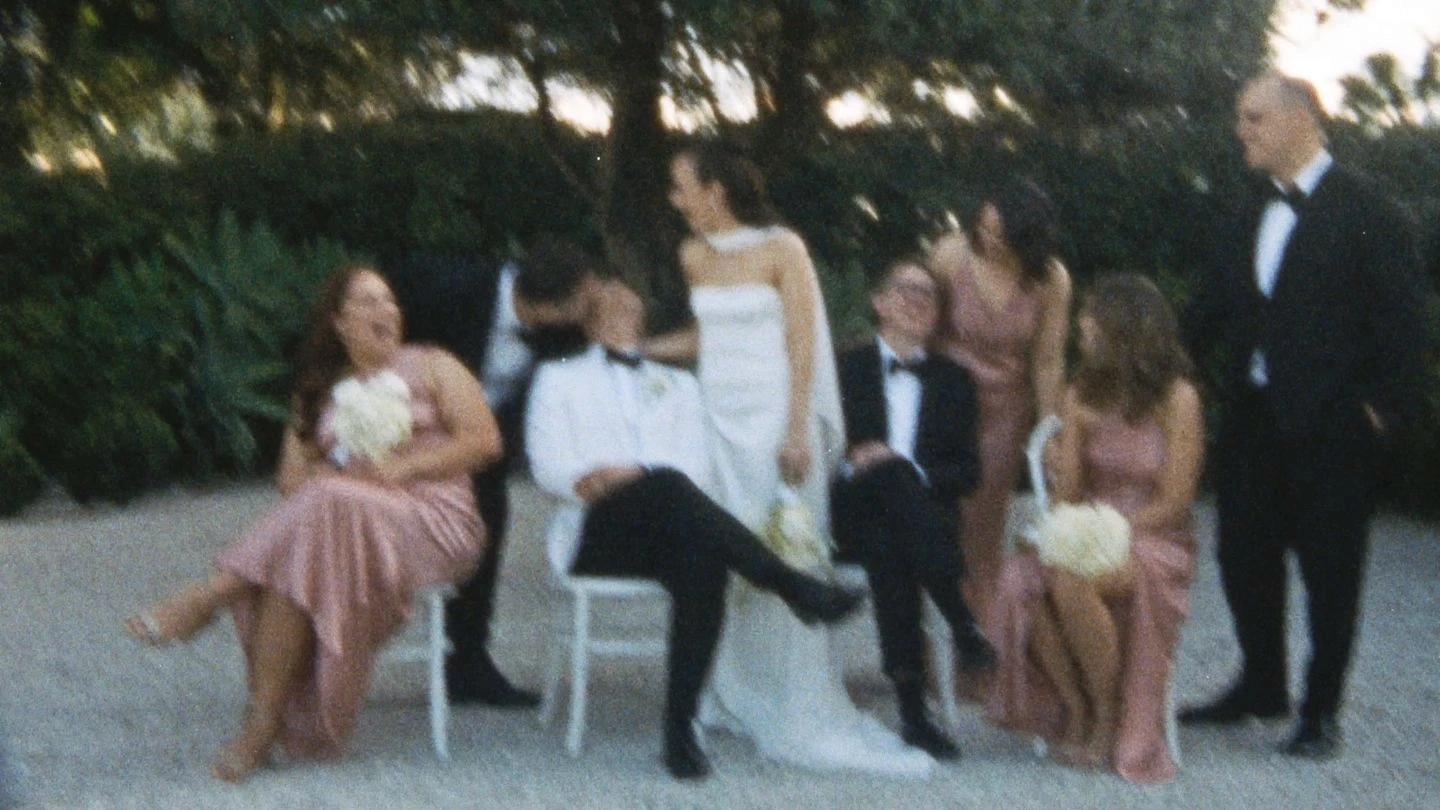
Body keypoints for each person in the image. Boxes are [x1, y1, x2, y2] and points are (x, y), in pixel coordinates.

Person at [124, 266, 501, 781]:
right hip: (341, 526)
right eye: (367, 303)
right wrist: (345, 472)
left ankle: (208, 597)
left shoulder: (434, 365)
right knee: (302, 552)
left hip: (433, 520)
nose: (384, 312)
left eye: (389, 301)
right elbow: (291, 483)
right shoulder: (316, 390)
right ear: (339, 322)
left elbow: (483, 442)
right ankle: (261, 725)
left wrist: (401, 468)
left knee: (322, 510)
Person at [655, 140, 933, 775]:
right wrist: (638, 349)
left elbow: (803, 341)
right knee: (721, 548)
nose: (675, 200)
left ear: (714, 189)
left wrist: (797, 429)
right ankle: (722, 688)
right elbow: (704, 336)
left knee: (783, 544)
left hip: (777, 414)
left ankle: (788, 694)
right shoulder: (692, 253)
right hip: (716, 420)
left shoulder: (784, 247)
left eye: (681, 186)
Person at [1179, 71, 1433, 759]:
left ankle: (1322, 713)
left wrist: (1379, 415)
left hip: (1335, 430)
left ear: (1301, 119)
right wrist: (1148, 376)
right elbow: (1204, 315)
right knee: (1242, 557)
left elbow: (1405, 327)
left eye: (1254, 117)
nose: (1242, 131)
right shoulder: (1245, 213)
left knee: (1331, 571)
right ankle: (1262, 685)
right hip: (1255, 420)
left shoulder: (1372, 212)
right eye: (1241, 117)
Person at [526, 279, 864, 779]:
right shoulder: (557, 379)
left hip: (664, 524)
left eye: (629, 301)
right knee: (663, 481)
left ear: (642, 316)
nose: (620, 308)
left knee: (702, 561)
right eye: (607, 303)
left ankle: (678, 731)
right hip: (596, 530)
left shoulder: (681, 385)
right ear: (589, 319)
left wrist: (636, 470)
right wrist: (626, 474)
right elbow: (548, 464)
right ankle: (788, 582)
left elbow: (699, 471)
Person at [987, 273, 1203, 783]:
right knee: (1021, 576)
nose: (1081, 324)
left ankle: (1107, 719)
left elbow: (1175, 500)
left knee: (1073, 579)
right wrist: (1058, 517)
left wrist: (1105, 530)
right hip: (1091, 525)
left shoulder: (1178, 397)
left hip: (1154, 537)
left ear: (1124, 328)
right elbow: (1068, 497)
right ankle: (1075, 705)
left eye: (1091, 316)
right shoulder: (1081, 389)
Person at [389, 238, 592, 707]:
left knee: (488, 524)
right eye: (581, 304)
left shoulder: (563, 328)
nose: (589, 312)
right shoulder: (445, 290)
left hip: (481, 450)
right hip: (408, 435)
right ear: (546, 306)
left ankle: (468, 662)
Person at [830, 256, 998, 759]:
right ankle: (961, 621)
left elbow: (969, 473)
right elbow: (817, 451)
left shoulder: (954, 381)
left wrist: (908, 469)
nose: (917, 300)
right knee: (886, 487)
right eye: (904, 289)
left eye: (928, 293)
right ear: (878, 302)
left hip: (909, 525)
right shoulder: (844, 368)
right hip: (851, 510)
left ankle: (913, 714)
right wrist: (853, 463)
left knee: (892, 541)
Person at [929, 180, 1072, 637]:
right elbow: (925, 334)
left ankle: (980, 642)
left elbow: (1048, 360)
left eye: (999, 234)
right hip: (946, 405)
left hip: (1005, 412)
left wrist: (1050, 431)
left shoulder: (1051, 279)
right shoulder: (951, 256)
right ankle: (931, 642)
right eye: (983, 228)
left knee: (983, 531)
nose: (987, 240)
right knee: (936, 522)